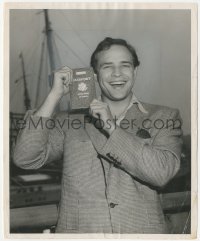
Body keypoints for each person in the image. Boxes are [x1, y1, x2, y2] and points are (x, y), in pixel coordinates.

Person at [13, 37, 182, 233]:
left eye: (125, 65)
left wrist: (110, 126)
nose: (117, 74)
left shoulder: (164, 116)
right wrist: (54, 96)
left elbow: (161, 173)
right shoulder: (69, 121)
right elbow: (25, 158)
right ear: (94, 74)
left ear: (135, 71)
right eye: (107, 66)